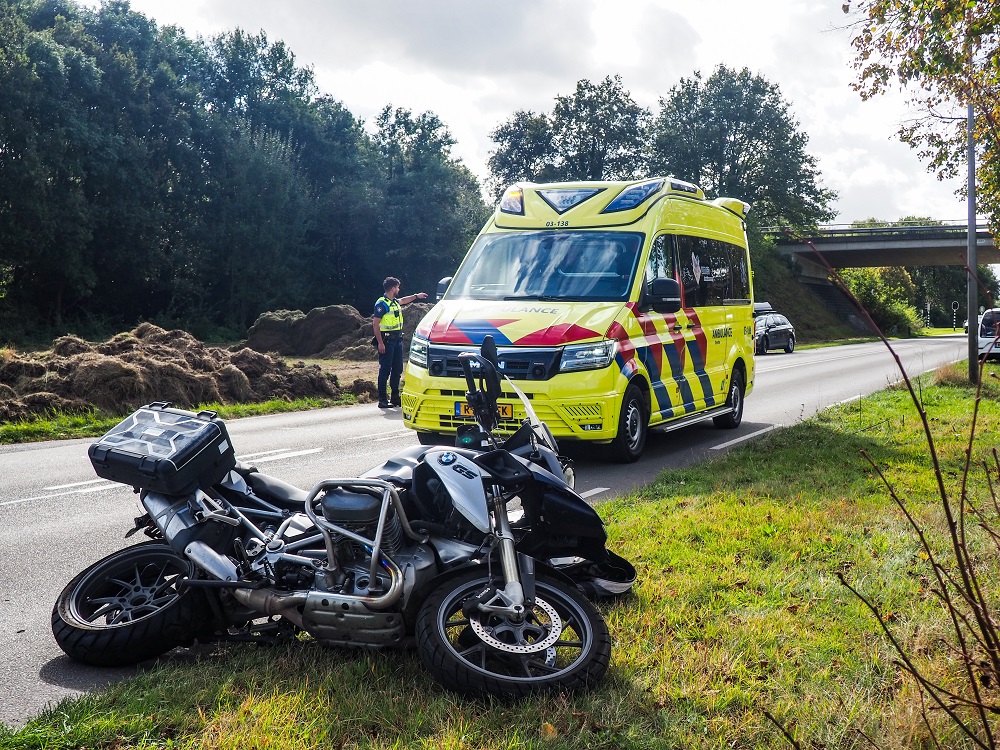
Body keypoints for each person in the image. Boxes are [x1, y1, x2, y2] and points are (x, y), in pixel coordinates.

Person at [373, 276, 427, 409]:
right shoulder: (382, 304)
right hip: (387, 341)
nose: (399, 289)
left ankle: (395, 397)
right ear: (392, 288)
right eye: (397, 287)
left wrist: (416, 296)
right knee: (385, 370)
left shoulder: (393, 301)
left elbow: (403, 300)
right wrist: (380, 343)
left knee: (397, 370)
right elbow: (375, 324)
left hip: (397, 340)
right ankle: (382, 399)